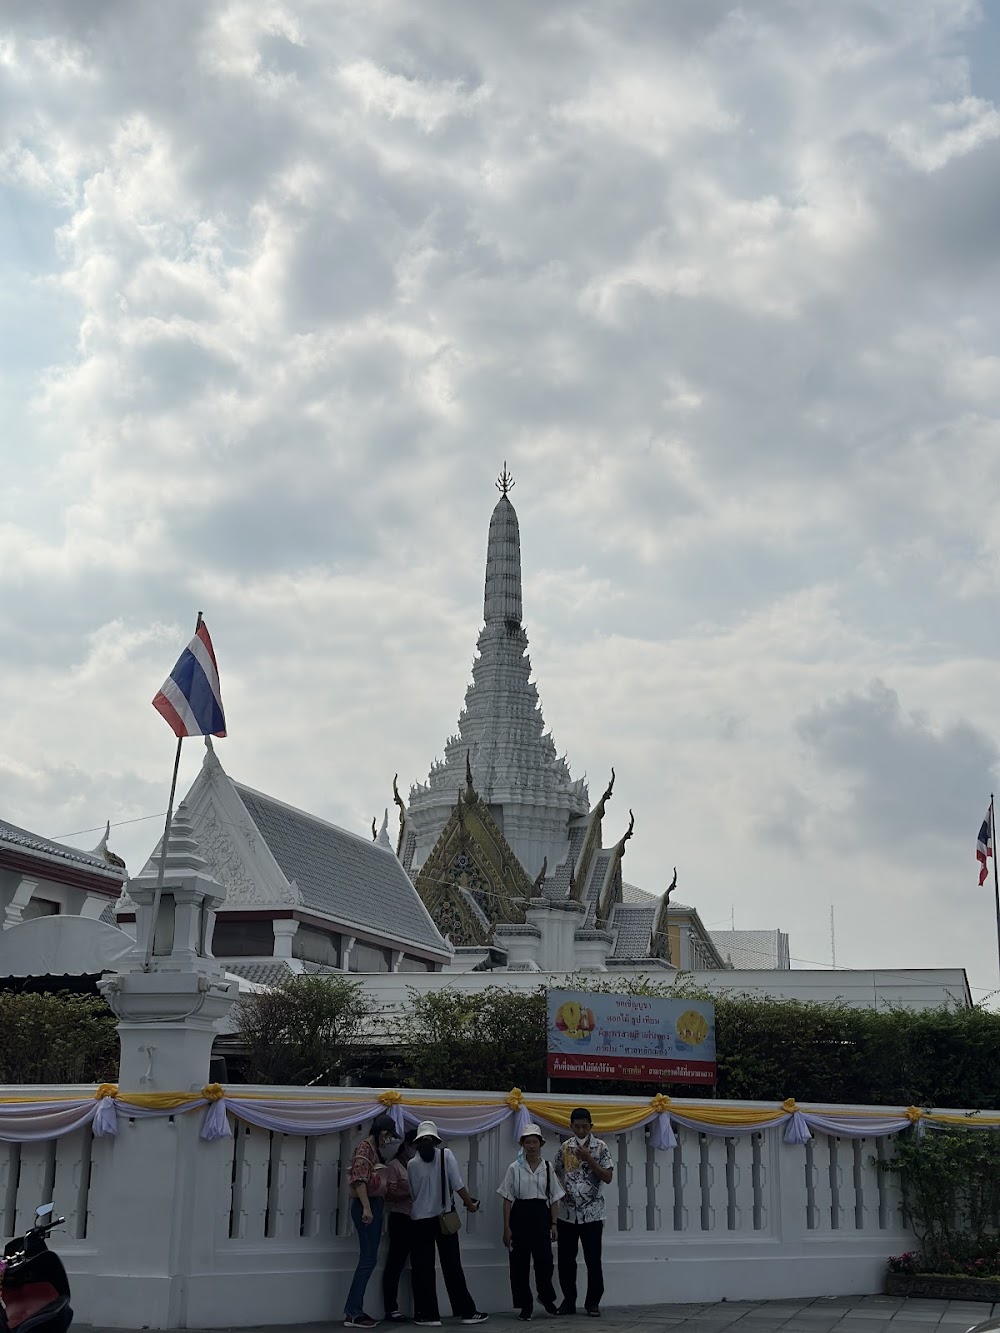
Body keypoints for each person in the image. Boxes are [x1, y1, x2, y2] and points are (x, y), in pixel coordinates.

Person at [406, 1120, 489, 1328]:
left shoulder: (411, 1164)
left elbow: (413, 1194)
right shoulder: (446, 1155)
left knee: (423, 1268)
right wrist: (470, 1204)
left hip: (419, 1221)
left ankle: (428, 1314)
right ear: (435, 1140)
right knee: (452, 1266)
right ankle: (466, 1311)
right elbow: (458, 1185)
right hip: (445, 1218)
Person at [498, 1122, 565, 1321]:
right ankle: (525, 1305)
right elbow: (507, 1199)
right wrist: (506, 1228)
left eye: (535, 1142)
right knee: (519, 1265)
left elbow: (554, 1197)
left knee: (544, 1262)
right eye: (528, 1142)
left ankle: (546, 1297)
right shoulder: (514, 1168)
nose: (531, 1146)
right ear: (523, 1144)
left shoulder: (547, 1167)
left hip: (540, 1216)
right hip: (520, 1215)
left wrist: (554, 1224)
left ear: (540, 1144)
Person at [553, 1108, 614, 1318]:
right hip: (567, 1214)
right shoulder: (564, 1147)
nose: (580, 1130)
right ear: (571, 1127)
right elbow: (555, 1172)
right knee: (566, 1260)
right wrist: (560, 1189)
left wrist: (589, 1158)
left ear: (591, 1127)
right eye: (576, 1126)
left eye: (584, 1126)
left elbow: (607, 1176)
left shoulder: (601, 1147)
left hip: (593, 1214)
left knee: (593, 1260)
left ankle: (593, 1302)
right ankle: (569, 1301)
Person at [344, 1112, 400, 1328]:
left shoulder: (372, 1150)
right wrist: (367, 1208)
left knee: (368, 1259)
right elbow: (359, 1180)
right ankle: (353, 1312)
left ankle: (354, 1310)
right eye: (387, 1136)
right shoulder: (365, 1149)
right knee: (367, 1260)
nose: (387, 1140)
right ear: (382, 1132)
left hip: (372, 1204)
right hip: (366, 1205)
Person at [381, 1128, 418, 1322]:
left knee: (419, 1265)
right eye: (414, 1146)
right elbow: (389, 1194)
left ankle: (420, 1307)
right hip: (401, 1217)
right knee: (395, 1263)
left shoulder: (420, 1165)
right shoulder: (394, 1166)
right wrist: (410, 1194)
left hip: (419, 1218)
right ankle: (391, 1308)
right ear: (406, 1146)